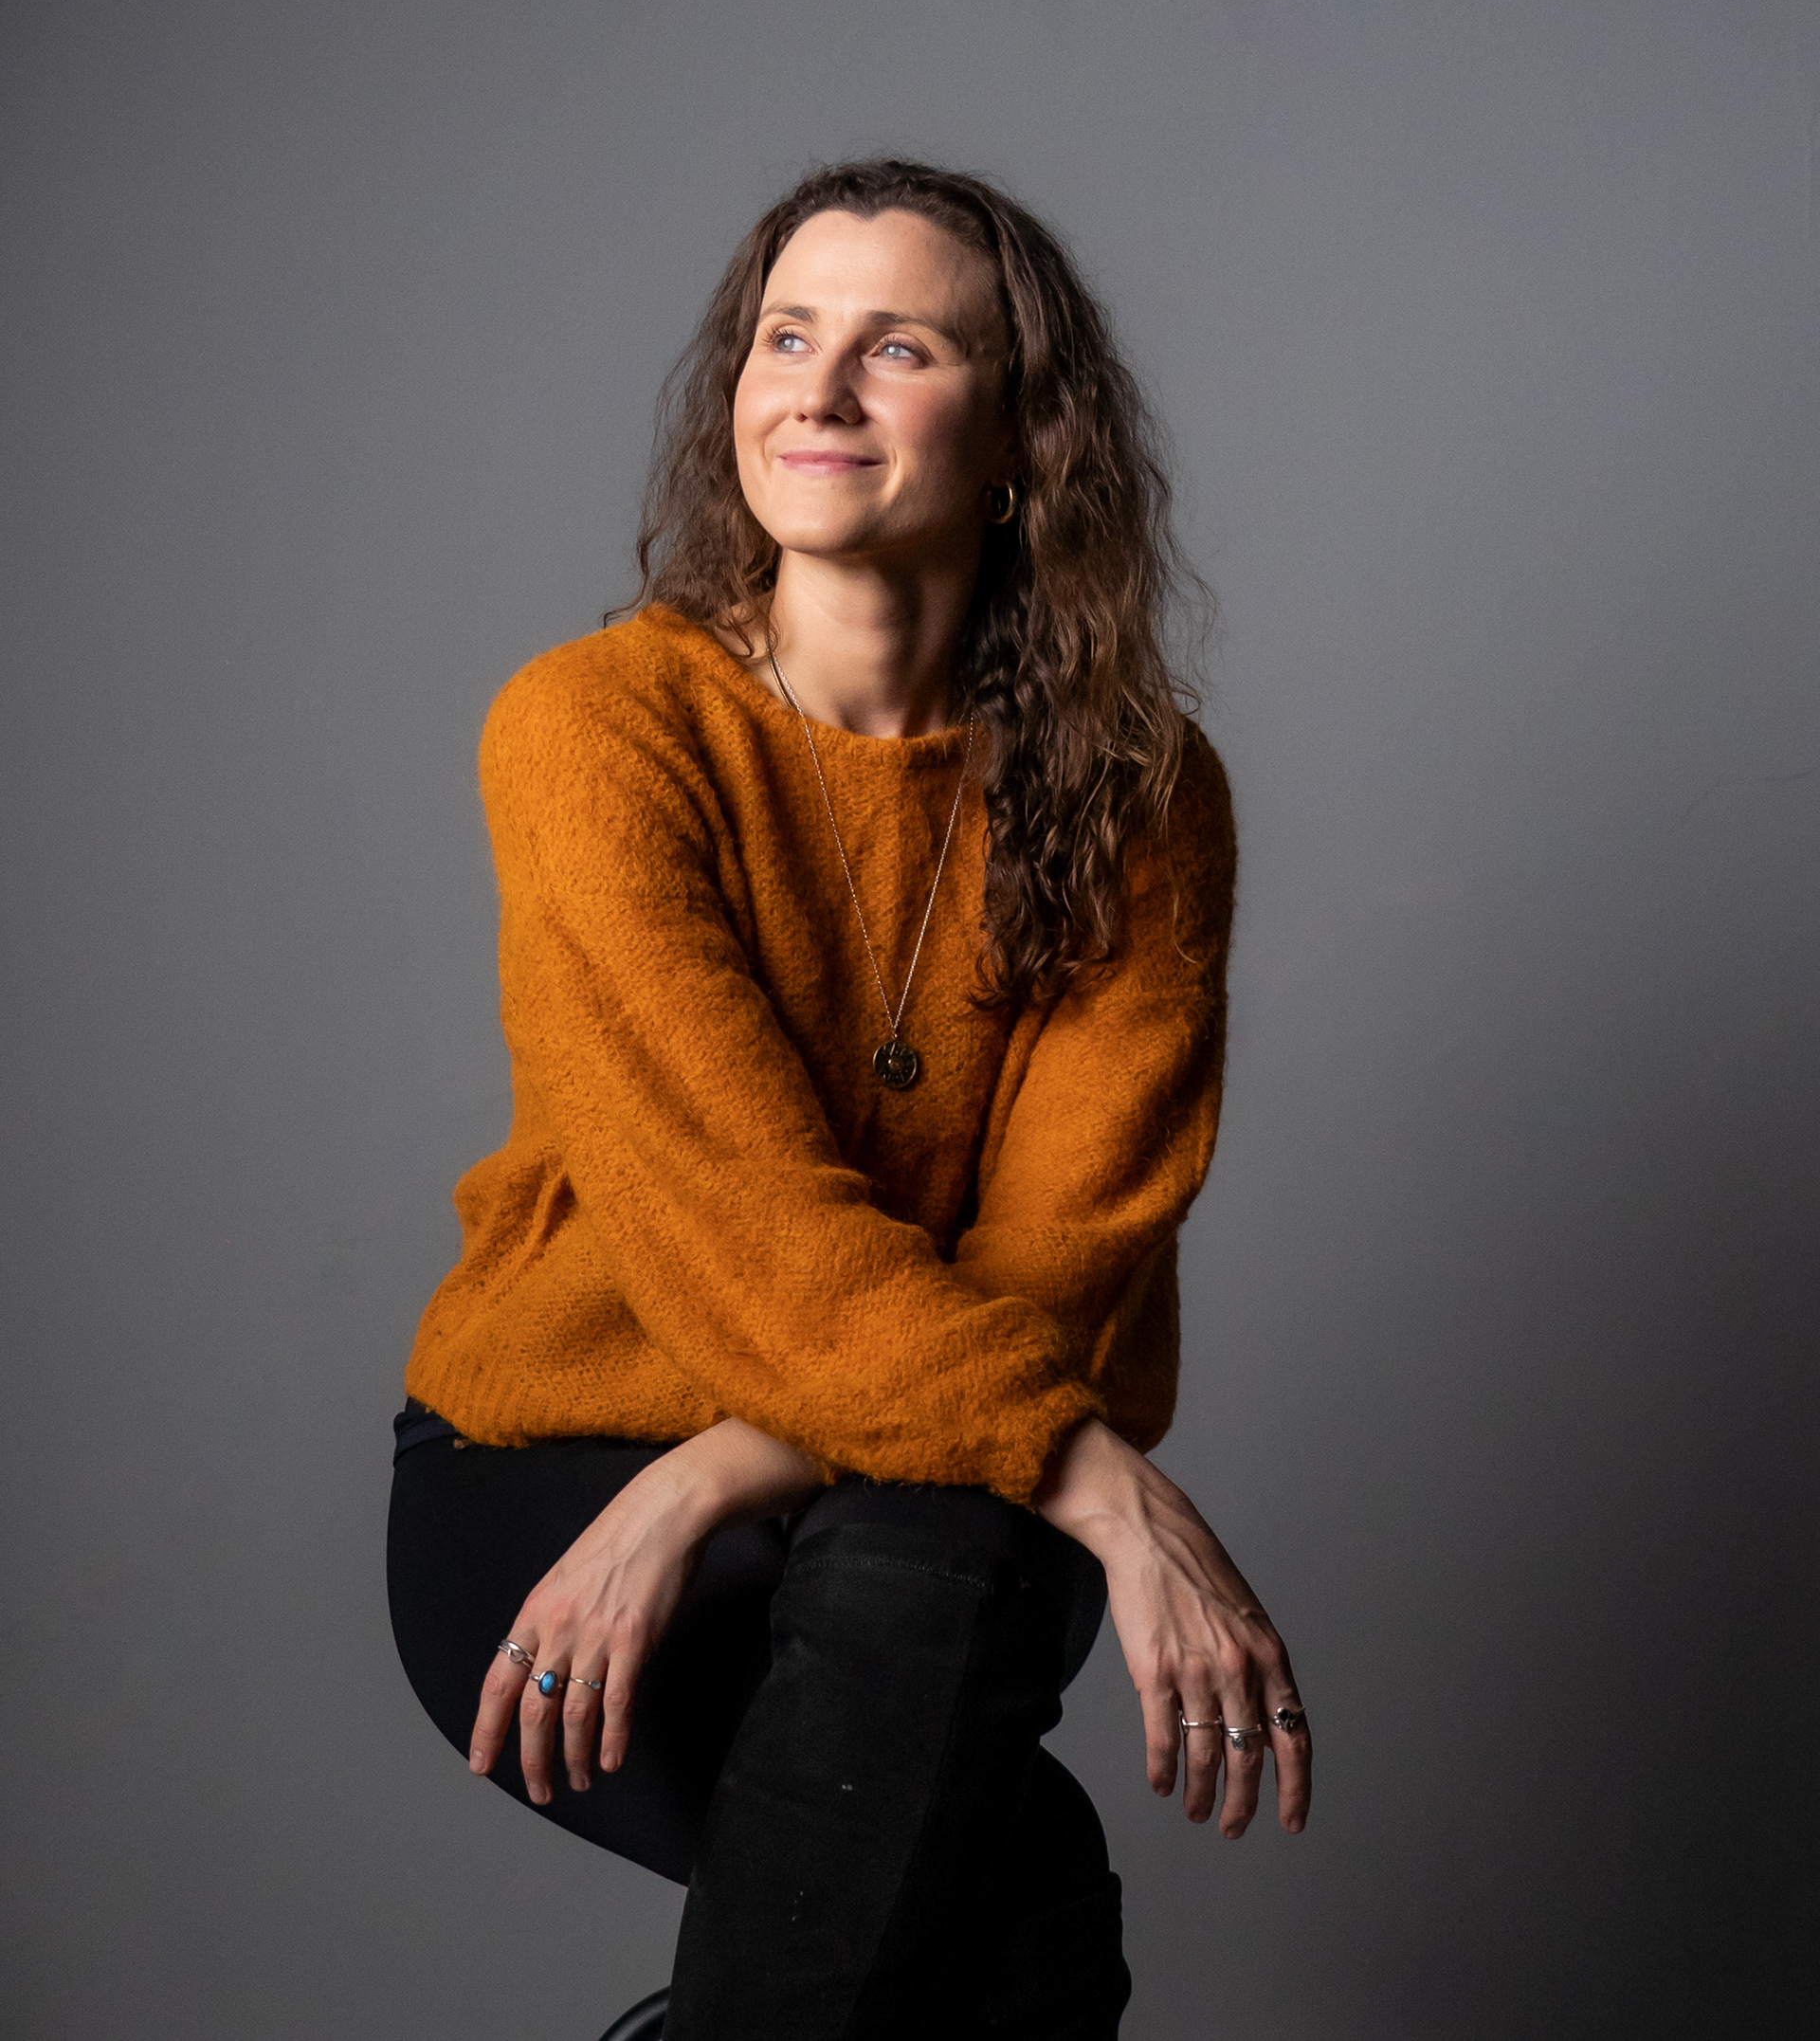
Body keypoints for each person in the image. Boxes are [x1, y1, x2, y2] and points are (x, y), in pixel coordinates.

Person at [387, 158, 1310, 2040]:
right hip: (559, 1470)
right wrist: (1108, 1487)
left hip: (908, 1499)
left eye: (897, 348)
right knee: (1001, 1898)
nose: (813, 390)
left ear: (1024, 433)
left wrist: (719, 1468)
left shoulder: (1144, 795)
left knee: (955, 1645)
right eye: (784, 337)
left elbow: (1065, 1259)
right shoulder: (598, 726)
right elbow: (738, 1227)